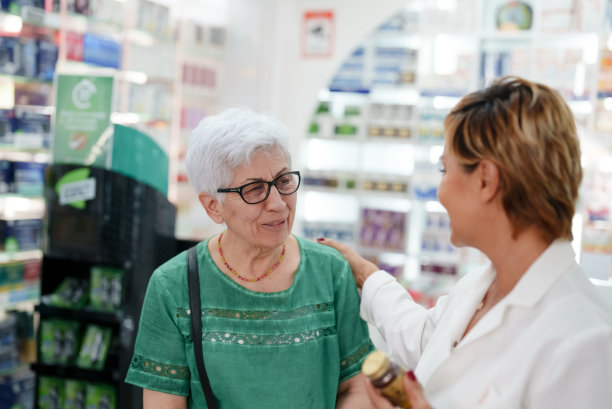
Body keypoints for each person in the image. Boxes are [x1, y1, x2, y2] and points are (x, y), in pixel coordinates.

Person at [319, 76, 612, 408]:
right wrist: (365, 274)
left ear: (486, 180)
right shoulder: (481, 286)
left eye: (445, 170)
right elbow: (425, 341)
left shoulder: (582, 342)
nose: (440, 193)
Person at [124, 107, 375, 409]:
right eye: (254, 190)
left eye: (283, 181)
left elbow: (356, 386)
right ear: (213, 206)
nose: (278, 204)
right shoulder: (173, 285)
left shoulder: (330, 271)